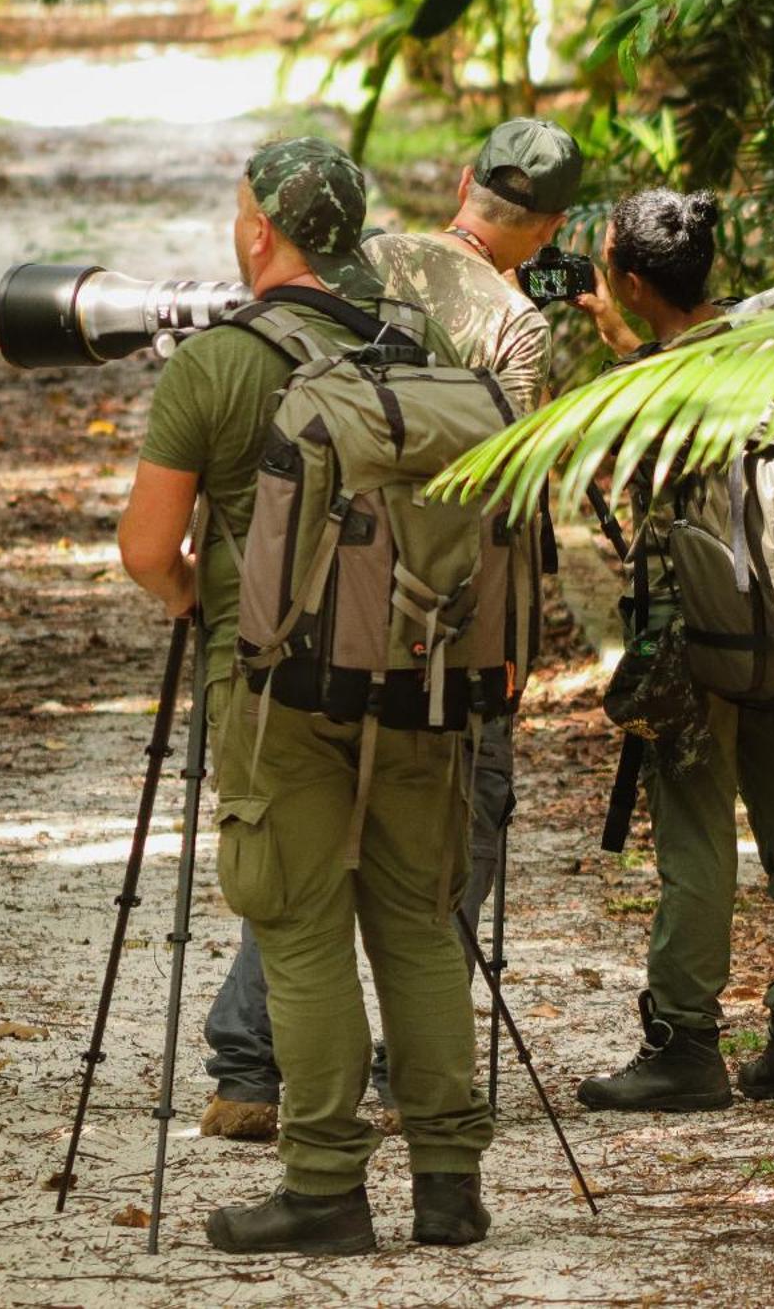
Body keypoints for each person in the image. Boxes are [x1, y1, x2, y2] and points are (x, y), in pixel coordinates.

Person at [118, 136, 491, 1254]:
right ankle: (448, 1185)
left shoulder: (217, 364)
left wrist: (198, 600)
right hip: (418, 675)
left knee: (300, 923)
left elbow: (146, 546)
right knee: (420, 924)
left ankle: (325, 1184)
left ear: (259, 231)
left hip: (274, 685)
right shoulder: (416, 345)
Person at [196, 117, 584, 1139]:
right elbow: (501, 479)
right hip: (440, 609)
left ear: (462, 183)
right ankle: (414, 1069)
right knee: (453, 832)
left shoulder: (367, 262)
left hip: (317, 588)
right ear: (546, 230)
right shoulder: (518, 326)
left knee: (298, 827)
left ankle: (248, 1061)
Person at [571, 189, 774, 1112]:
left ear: (635, 282)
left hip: (698, 644)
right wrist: (627, 340)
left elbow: (632, 485)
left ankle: (686, 1043)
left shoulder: (655, 391)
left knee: (696, 835)